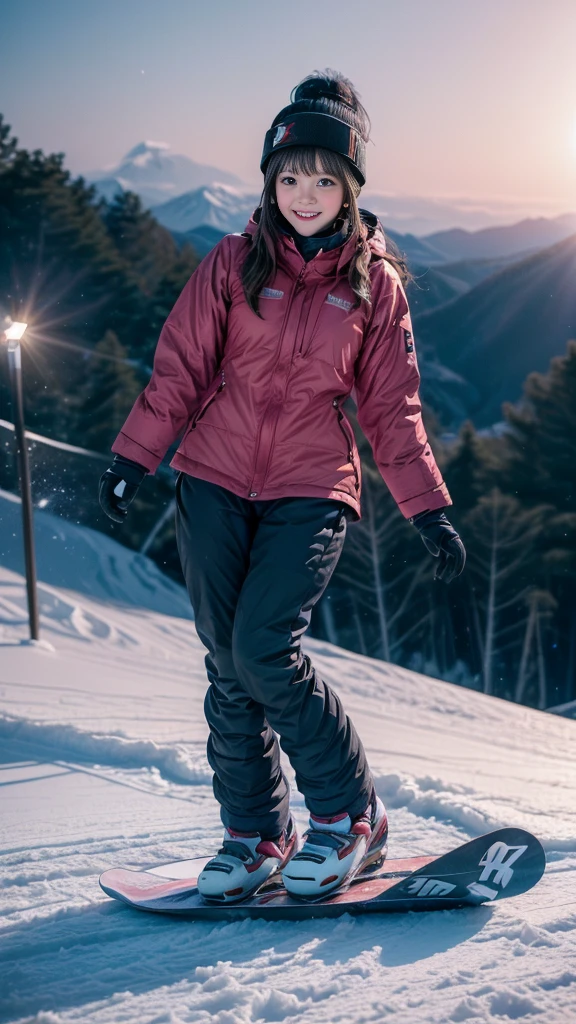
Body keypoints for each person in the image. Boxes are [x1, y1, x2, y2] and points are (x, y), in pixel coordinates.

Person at [99, 69, 466, 903]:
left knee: (265, 647)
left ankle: (350, 818)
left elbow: (392, 409)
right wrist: (134, 455)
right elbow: (179, 372)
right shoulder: (230, 264)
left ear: (350, 187)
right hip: (212, 481)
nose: (304, 193)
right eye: (290, 175)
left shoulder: (375, 288)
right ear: (269, 180)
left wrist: (429, 507)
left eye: (324, 178)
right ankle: (256, 833)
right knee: (228, 666)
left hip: (311, 488)